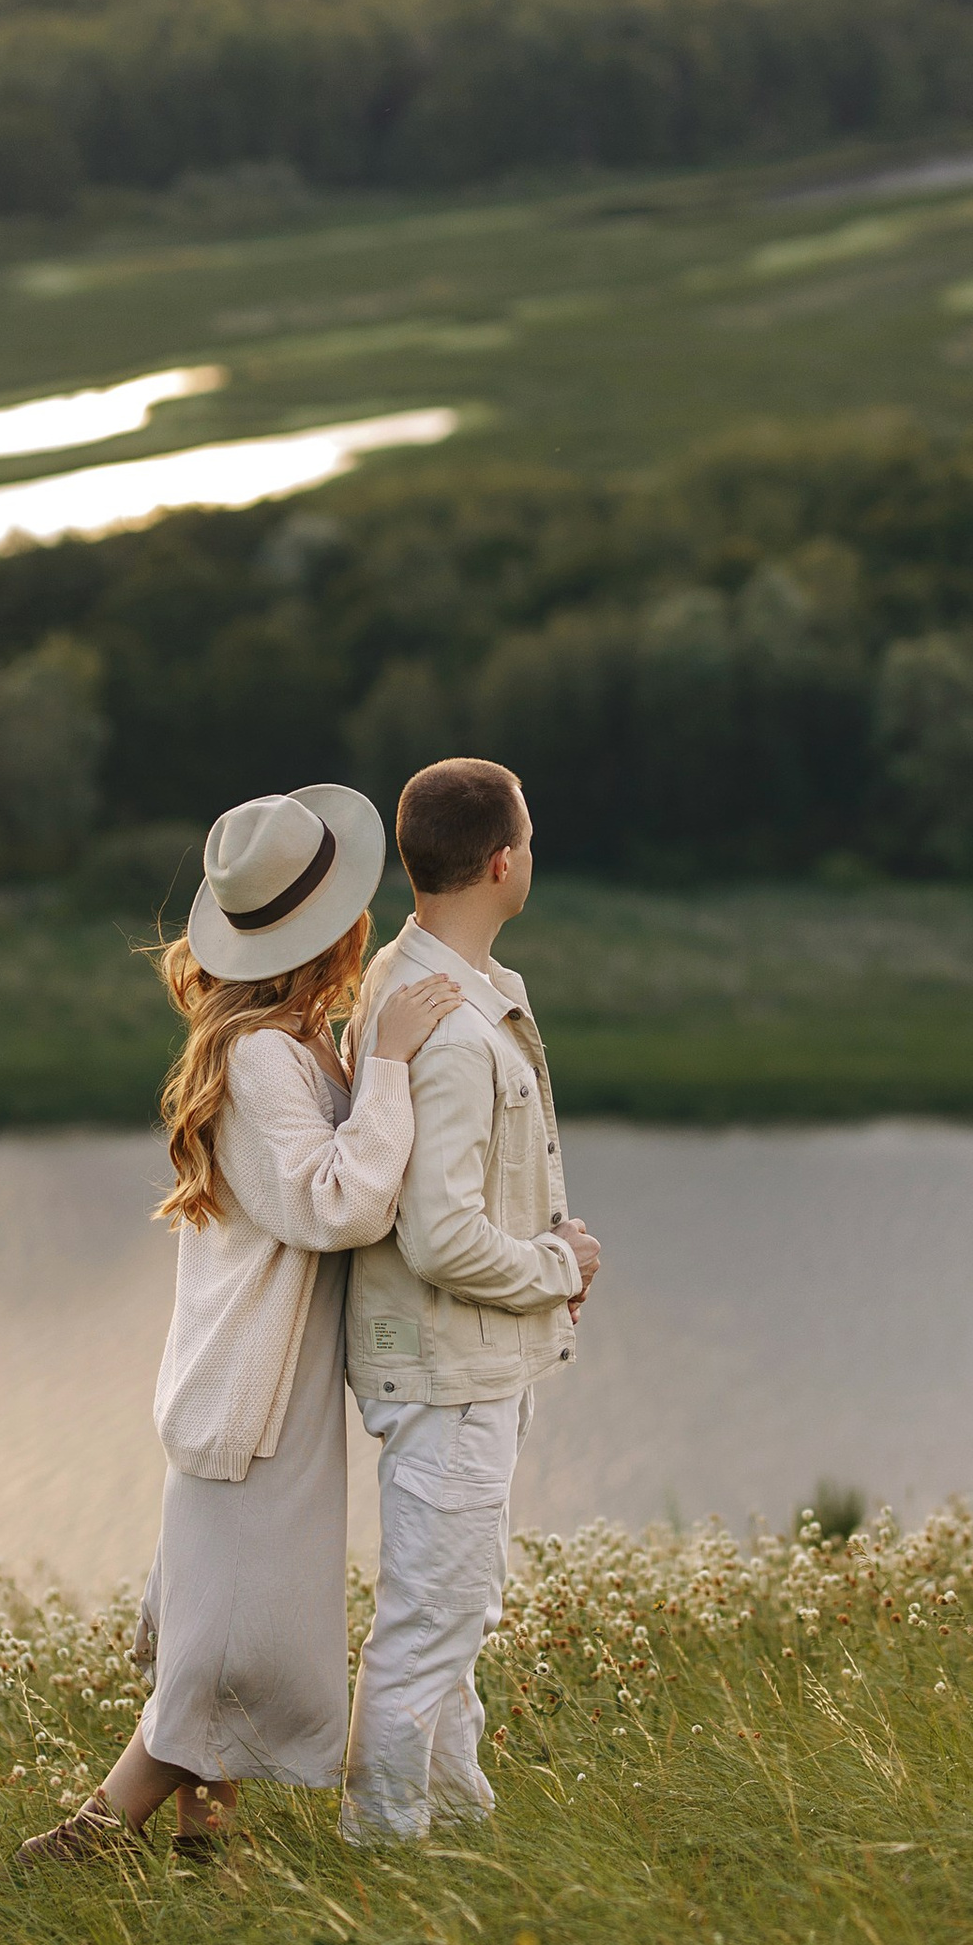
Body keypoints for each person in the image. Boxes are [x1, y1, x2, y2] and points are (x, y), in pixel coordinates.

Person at [16, 782, 458, 1868]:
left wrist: (364, 1061)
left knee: (233, 1623)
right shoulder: (264, 1057)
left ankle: (202, 1854)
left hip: (266, 1391)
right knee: (231, 1647)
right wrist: (391, 1062)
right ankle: (86, 1841)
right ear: (337, 929)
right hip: (249, 1406)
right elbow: (338, 1203)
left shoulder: (288, 1042)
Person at [338, 755, 602, 1845]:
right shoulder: (442, 1022)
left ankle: (457, 1818)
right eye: (528, 838)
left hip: (471, 1360)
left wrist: (546, 1253)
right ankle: (384, 1843)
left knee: (456, 1608)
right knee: (429, 1617)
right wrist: (558, 1270)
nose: (530, 854)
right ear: (503, 862)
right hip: (449, 1368)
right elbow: (441, 1235)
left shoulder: (449, 989)